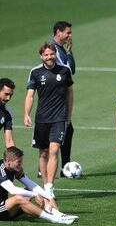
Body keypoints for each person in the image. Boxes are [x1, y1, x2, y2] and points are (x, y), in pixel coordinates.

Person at [24, 42, 74, 199]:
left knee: (54, 150)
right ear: (41, 56)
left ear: (55, 54)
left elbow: (70, 93)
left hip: (59, 118)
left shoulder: (64, 71)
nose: (49, 57)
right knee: (43, 153)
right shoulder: (35, 72)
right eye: (46, 54)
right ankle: (45, 186)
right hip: (42, 119)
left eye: (51, 54)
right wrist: (27, 114)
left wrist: (69, 114)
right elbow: (30, 95)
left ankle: (49, 187)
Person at [0, 146, 76, 224]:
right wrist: (35, 195)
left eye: (21, 161)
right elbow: (13, 190)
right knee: (19, 198)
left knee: (33, 191)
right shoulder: (0, 170)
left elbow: (31, 185)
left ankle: (59, 215)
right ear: (8, 161)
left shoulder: (14, 168)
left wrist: (49, 197)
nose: (21, 164)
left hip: (5, 209)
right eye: (18, 162)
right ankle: (54, 219)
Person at [51, 21, 76, 177]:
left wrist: (69, 51)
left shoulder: (61, 49)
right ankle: (61, 167)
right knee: (60, 129)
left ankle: (64, 167)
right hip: (55, 95)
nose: (70, 35)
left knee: (67, 128)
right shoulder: (52, 49)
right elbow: (66, 70)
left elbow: (71, 69)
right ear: (58, 32)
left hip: (62, 92)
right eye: (68, 32)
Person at [0, 78, 16, 148]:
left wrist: (15, 157)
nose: (8, 98)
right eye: (6, 94)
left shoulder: (6, 113)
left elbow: (9, 142)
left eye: (10, 95)